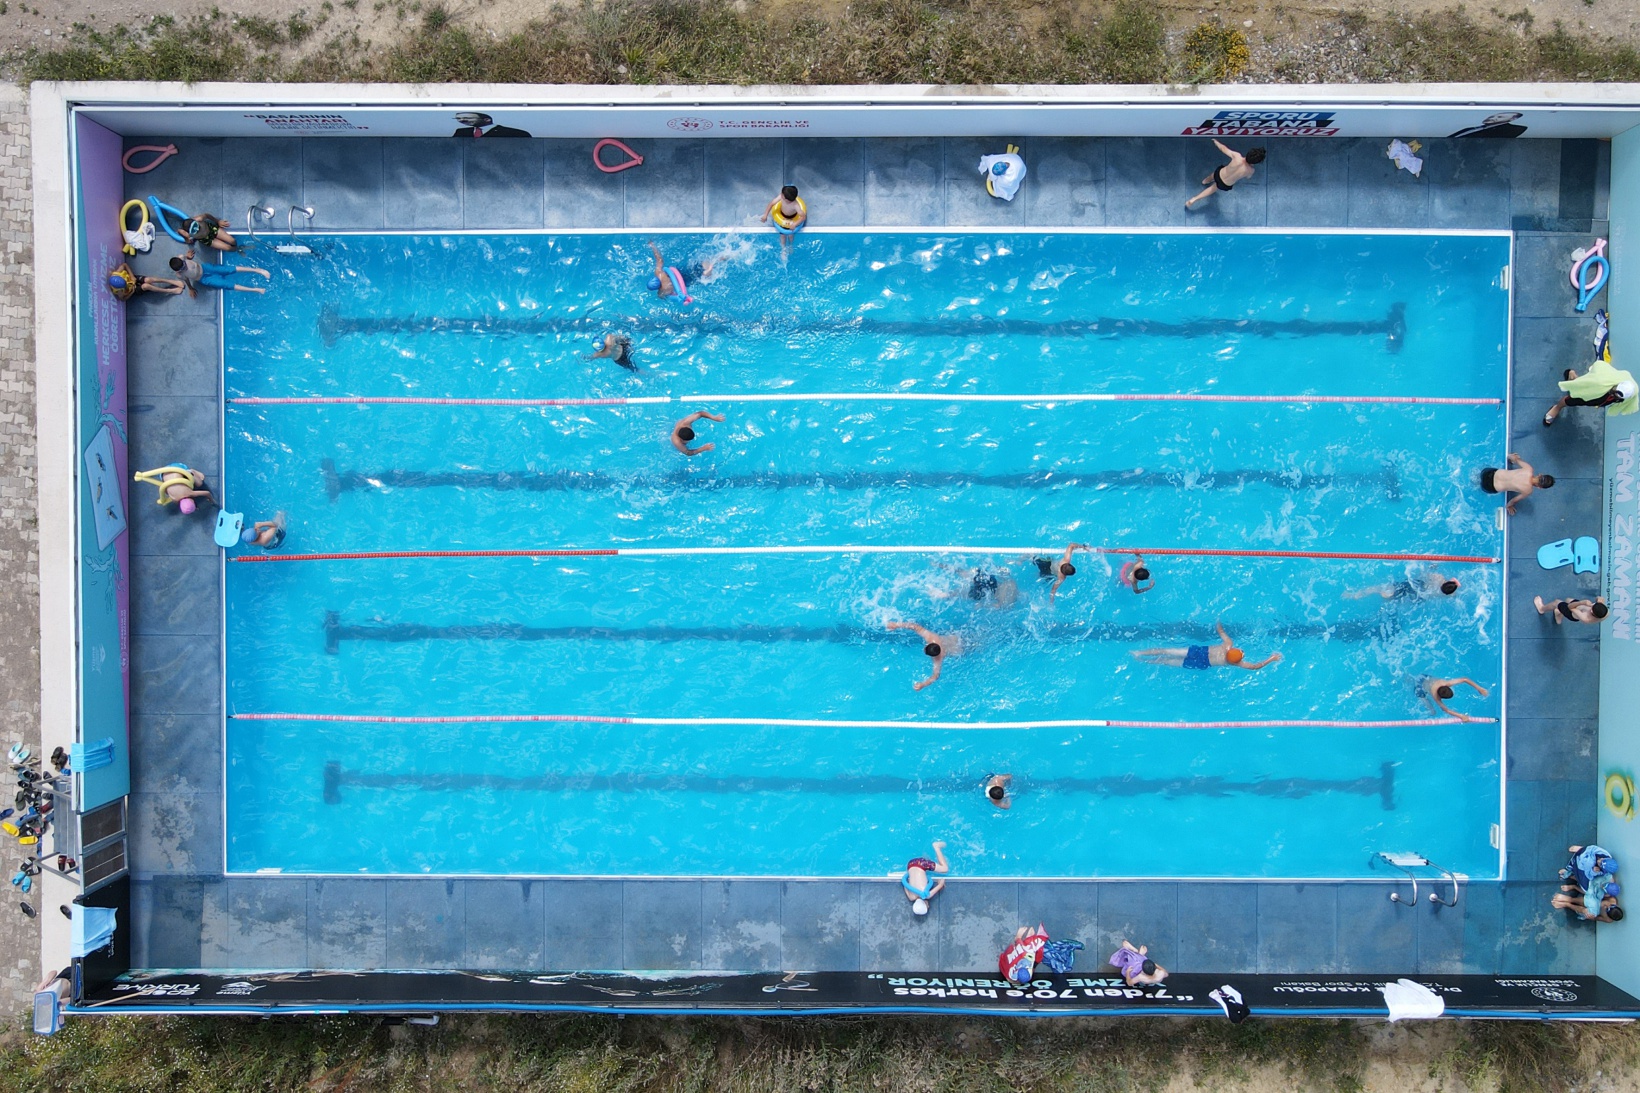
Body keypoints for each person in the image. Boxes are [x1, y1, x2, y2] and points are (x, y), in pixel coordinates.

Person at [1132, 620, 1280, 672]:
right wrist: (1271, 659)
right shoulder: (1236, 663)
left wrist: (1218, 620)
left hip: (1198, 652)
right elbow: (1255, 666)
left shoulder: (1228, 645)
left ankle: (1139, 653)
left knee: (1166, 651)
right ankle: (1143, 660)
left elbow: (1220, 630)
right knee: (1166, 661)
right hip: (1202, 663)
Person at [1545, 361, 1638, 426]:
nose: (1614, 396)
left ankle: (1572, 376)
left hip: (1600, 399)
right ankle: (1557, 408)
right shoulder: (1601, 382)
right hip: (1594, 392)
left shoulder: (1632, 394)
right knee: (1572, 398)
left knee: (1581, 386)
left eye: (1617, 397)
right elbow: (1598, 366)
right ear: (1617, 385)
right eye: (1615, 392)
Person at [886, 620, 962, 691]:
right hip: (957, 639)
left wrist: (923, 685)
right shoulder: (932, 638)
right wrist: (897, 625)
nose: (923, 650)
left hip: (960, 650)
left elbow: (935, 676)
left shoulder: (938, 658)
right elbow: (915, 627)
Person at [1186, 142, 1266, 209]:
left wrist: (1216, 142)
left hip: (1220, 173)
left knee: (1213, 175)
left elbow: (1223, 148)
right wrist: (1250, 167)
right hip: (1225, 183)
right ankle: (1195, 199)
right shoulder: (1251, 171)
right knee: (1213, 188)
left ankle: (1206, 180)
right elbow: (1248, 177)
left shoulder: (1237, 156)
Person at [1479, 453, 1553, 516]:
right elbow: (1513, 501)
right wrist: (1509, 506)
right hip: (1490, 487)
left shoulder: (1528, 469)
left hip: (1490, 473)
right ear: (1540, 487)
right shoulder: (1528, 490)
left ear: (1540, 475)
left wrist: (1512, 457)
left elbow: (1513, 458)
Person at [169, 252, 270, 296]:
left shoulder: (182, 257)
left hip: (205, 267)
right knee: (226, 285)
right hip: (203, 279)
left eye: (184, 264)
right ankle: (256, 290)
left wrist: (188, 256)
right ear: (178, 270)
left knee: (229, 269)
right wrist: (190, 288)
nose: (185, 267)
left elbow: (186, 257)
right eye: (182, 268)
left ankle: (257, 270)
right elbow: (186, 280)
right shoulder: (180, 275)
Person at [897, 839, 949, 916]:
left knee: (945, 869)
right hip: (910, 865)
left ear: (926, 905)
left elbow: (941, 884)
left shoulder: (926, 894)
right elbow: (905, 884)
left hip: (922, 864)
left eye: (927, 907)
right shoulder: (911, 897)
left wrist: (940, 883)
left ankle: (936, 847)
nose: (929, 906)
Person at [1344, 572, 1460, 601]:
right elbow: (1451, 591)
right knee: (1396, 597)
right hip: (1419, 596)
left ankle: (1354, 595)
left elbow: (1424, 574)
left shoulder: (1438, 577)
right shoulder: (1448, 595)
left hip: (1415, 586)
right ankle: (1388, 597)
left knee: (1379, 589)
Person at [1420, 675, 1488, 721]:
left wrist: (1480, 688)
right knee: (1432, 710)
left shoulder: (1446, 683)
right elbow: (1446, 710)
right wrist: (1461, 716)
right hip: (1420, 686)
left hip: (1424, 677)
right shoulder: (1436, 697)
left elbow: (1465, 679)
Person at [760, 185, 807, 250]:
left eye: (782, 195)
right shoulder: (781, 197)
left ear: (786, 199)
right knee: (782, 235)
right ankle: (783, 249)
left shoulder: (795, 205)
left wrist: (795, 224)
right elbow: (771, 204)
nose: (781, 195)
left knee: (791, 235)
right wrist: (765, 215)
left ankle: (790, 246)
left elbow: (803, 217)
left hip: (792, 218)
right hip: (782, 216)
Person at [1552, 880, 1623, 923]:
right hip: (1593, 900)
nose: (1606, 906)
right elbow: (1599, 895)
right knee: (1590, 900)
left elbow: (1595, 918)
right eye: (1610, 906)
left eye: (1607, 909)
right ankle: (1570, 898)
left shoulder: (1608, 919)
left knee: (1586, 912)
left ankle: (1567, 905)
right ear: (1616, 905)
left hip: (1593, 910)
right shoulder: (1612, 900)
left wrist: (1590, 917)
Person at [1535, 595, 1609, 625]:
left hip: (1571, 613)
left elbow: (1570, 607)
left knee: (1556, 602)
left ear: (1591, 611)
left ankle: (1542, 609)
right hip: (1580, 607)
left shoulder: (1585, 618)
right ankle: (1558, 613)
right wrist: (1599, 599)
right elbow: (1600, 599)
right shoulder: (1605, 613)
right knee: (1568, 599)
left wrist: (1582, 602)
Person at [451, 111, 532, 138]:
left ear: (487, 120)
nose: (463, 121)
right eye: (459, 119)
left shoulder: (513, 133)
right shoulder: (461, 132)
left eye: (467, 118)